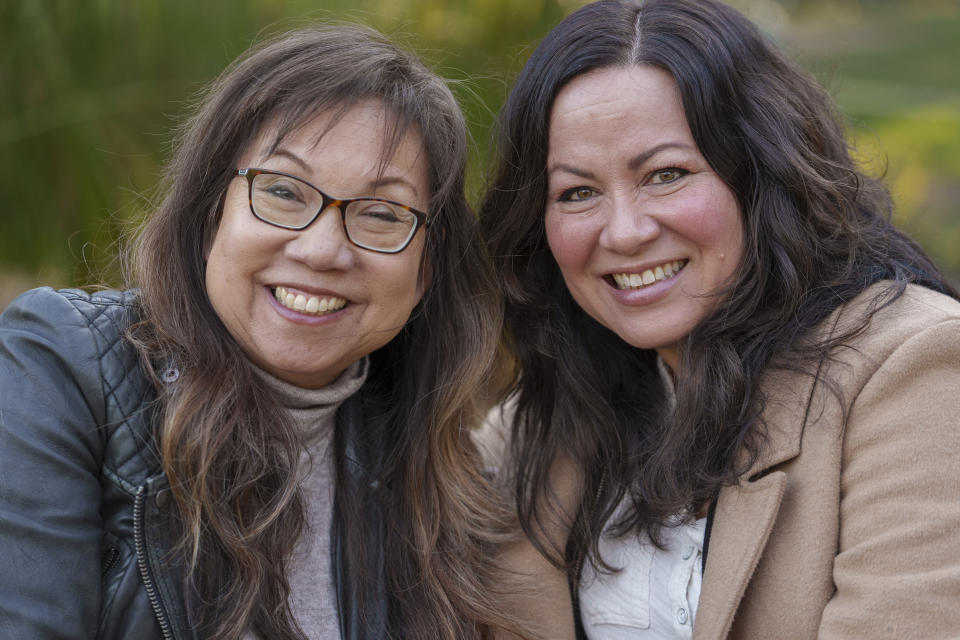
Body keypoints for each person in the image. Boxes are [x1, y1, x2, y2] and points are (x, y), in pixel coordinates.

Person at [0, 24, 512, 640]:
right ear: (213, 207)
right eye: (282, 191)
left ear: (426, 268)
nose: (323, 250)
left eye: (381, 214)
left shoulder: (440, 472)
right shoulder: (64, 368)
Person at [479, 0, 960, 638]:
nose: (623, 232)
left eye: (666, 175)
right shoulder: (539, 425)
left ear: (763, 172)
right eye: (577, 192)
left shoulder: (915, 367)